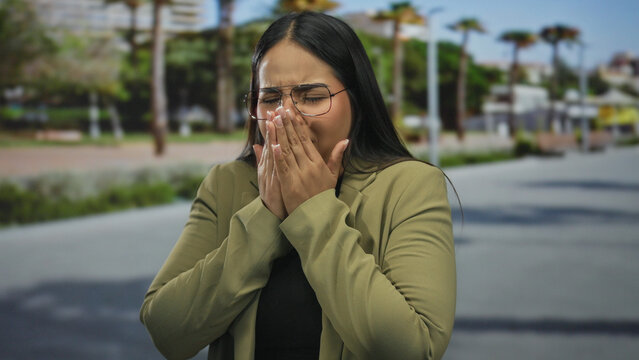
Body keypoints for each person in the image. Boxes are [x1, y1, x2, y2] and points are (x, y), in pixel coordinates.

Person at [140, 11, 456, 360]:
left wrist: (314, 209)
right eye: (271, 99)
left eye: (312, 96)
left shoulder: (411, 185)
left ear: (358, 100)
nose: (285, 117)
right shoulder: (225, 184)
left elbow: (412, 350)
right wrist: (265, 215)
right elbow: (167, 331)